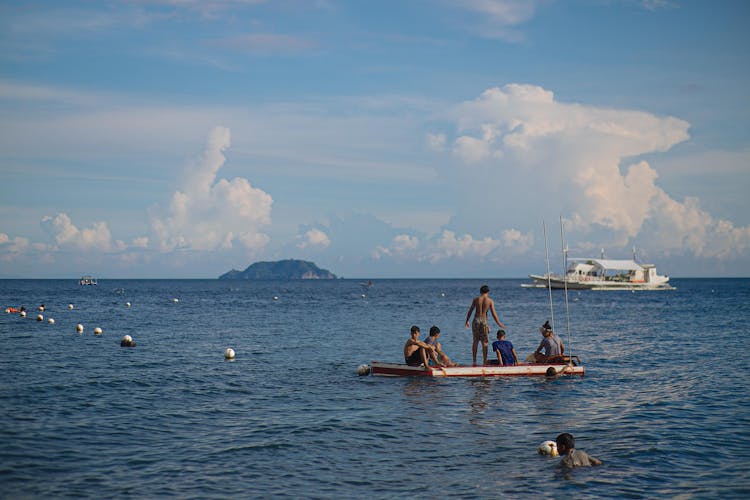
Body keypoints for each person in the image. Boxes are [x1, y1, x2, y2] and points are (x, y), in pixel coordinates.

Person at [465, 285, 506, 365]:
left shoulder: (476, 299)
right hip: (484, 321)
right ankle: (484, 361)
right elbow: (494, 314)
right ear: (488, 292)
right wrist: (499, 323)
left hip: (476, 320)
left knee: (475, 341)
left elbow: (470, 310)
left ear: (480, 292)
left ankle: (474, 361)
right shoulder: (490, 301)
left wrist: (467, 321)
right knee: (484, 342)